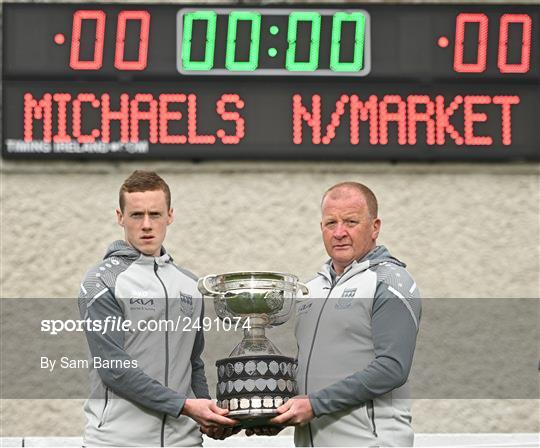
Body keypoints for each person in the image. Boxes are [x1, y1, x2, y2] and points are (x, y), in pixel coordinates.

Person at [78, 170, 238, 447]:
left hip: (184, 442)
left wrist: (206, 413)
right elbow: (114, 369)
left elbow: (193, 362)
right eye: (136, 215)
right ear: (120, 217)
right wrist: (185, 406)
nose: (147, 225)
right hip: (117, 442)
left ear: (170, 216)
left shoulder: (189, 284)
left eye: (155, 214)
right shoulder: (101, 281)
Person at [269, 181, 422, 447]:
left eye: (351, 222)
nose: (339, 232)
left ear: (375, 227)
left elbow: (392, 368)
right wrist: (273, 412)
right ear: (321, 229)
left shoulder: (390, 280)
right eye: (331, 223)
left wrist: (316, 404)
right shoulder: (310, 289)